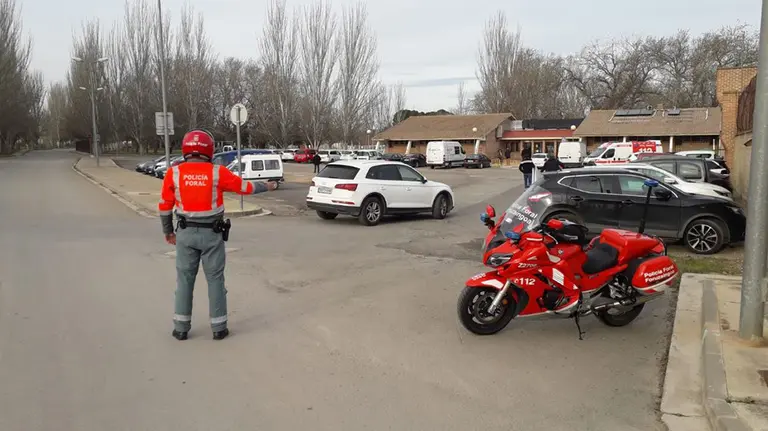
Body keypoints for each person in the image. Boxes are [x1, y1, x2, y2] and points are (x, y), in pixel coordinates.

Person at [158, 129, 277, 341]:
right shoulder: (217, 172)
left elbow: (165, 206)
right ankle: (219, 328)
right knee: (215, 280)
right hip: (211, 234)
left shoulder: (173, 173)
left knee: (184, 280)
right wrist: (266, 186)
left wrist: (168, 230)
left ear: (186, 149)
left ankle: (181, 328)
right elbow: (244, 187)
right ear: (209, 150)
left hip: (185, 233)